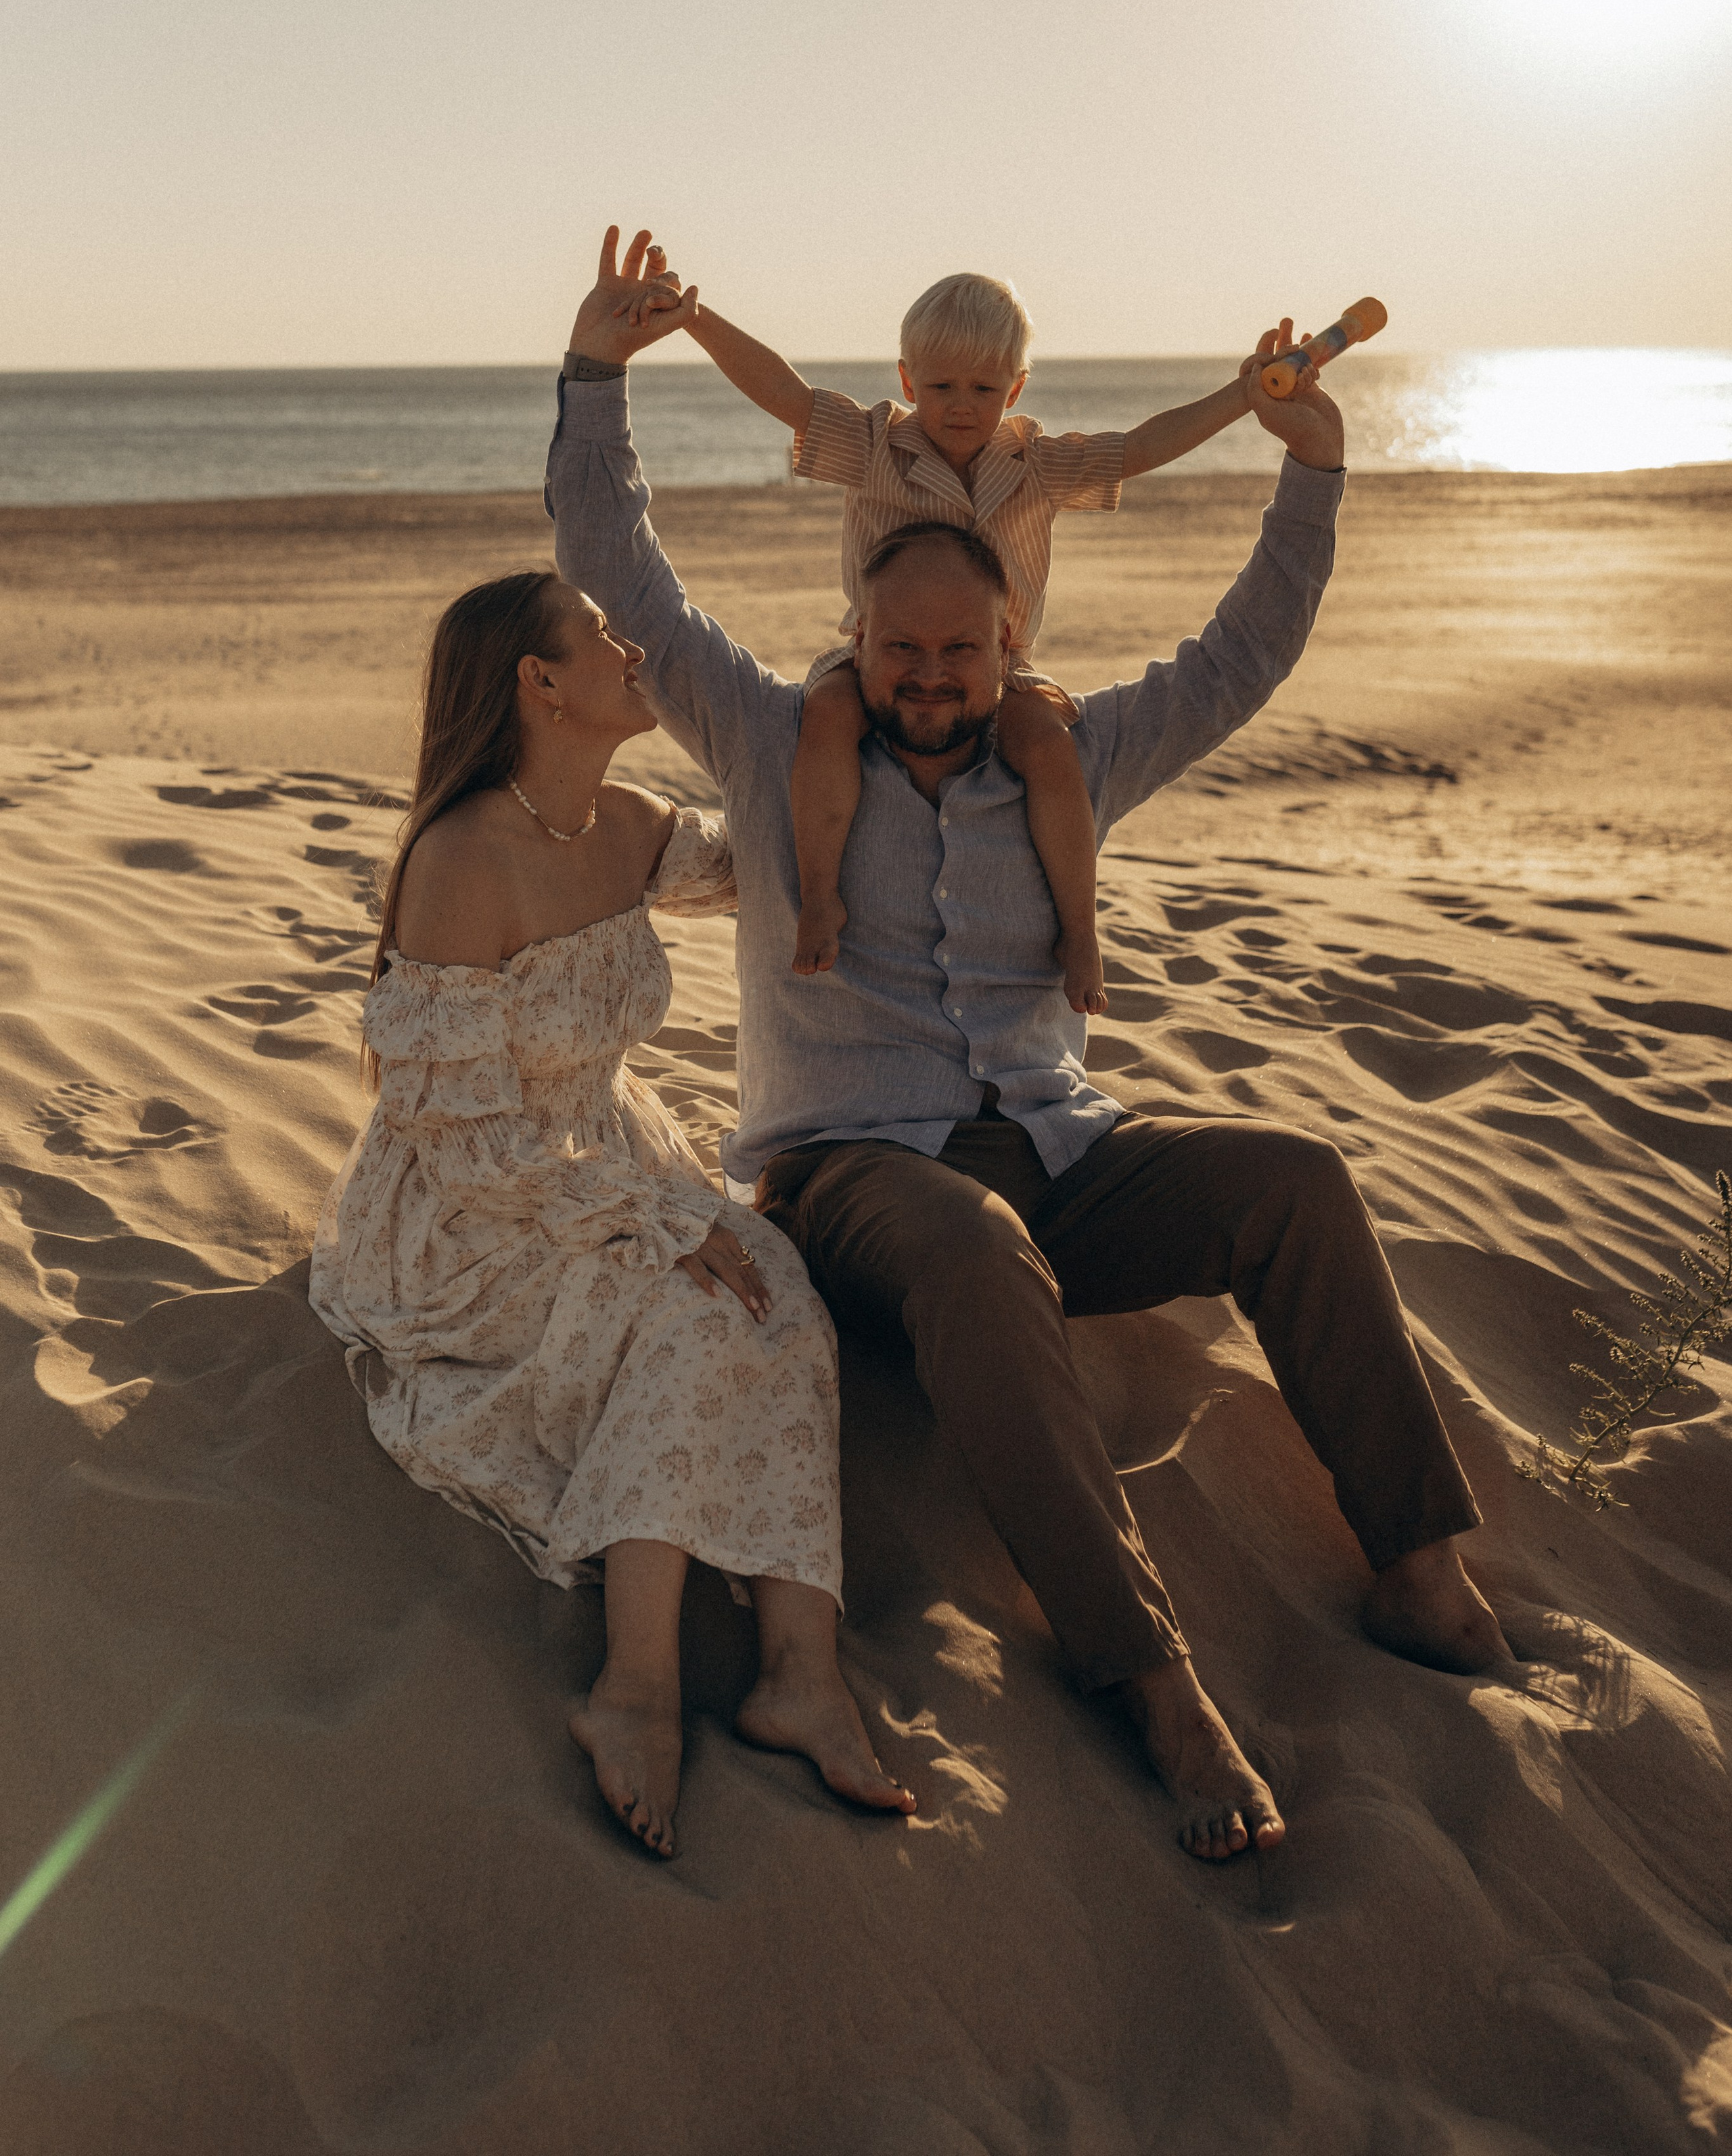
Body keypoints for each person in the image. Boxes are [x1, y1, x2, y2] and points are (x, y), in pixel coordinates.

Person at [548, 226, 1511, 1867]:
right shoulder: (769, 735)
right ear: (857, 635)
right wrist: (593, 372)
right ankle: (1146, 1675)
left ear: (1008, 652)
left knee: (1291, 1179)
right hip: (856, 1173)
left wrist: (1310, 471)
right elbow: (614, 559)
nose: (928, 679)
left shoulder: (1065, 758)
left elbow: (1240, 658)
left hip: (1059, 1146)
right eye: (901, 651)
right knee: (977, 1251)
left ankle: (1414, 1555)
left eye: (960, 654)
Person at [310, 565, 914, 1859]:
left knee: (782, 1293)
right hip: (474, 1207)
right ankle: (634, 1684)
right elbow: (457, 1137)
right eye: (600, 635)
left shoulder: (629, 820)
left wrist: (846, 705)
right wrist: (648, 1223)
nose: (631, 648)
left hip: (608, 1156)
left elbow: (765, 866)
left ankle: (800, 1671)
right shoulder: (461, 858)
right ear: (539, 683)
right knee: (687, 1316)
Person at [680, 269, 1256, 1011]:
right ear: (906, 377)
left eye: (982, 390)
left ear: (1014, 390)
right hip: (871, 660)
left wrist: (1243, 395)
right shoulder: (871, 446)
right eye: (941, 386)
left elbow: (1140, 447)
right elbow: (783, 393)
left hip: (998, 669)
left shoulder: (1036, 466)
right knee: (823, 717)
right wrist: (696, 321)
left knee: (1047, 748)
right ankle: (821, 897)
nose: (960, 406)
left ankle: (1080, 930)